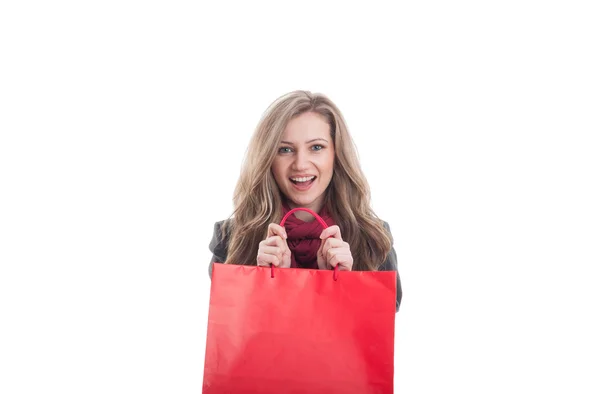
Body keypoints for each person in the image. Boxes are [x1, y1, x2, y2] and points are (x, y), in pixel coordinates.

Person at [208, 90, 402, 311]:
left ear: (336, 155)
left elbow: (380, 332)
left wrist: (345, 283)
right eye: (285, 149)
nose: (300, 164)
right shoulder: (232, 238)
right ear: (268, 159)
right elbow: (227, 329)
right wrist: (261, 279)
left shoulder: (373, 238)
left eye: (316, 147)